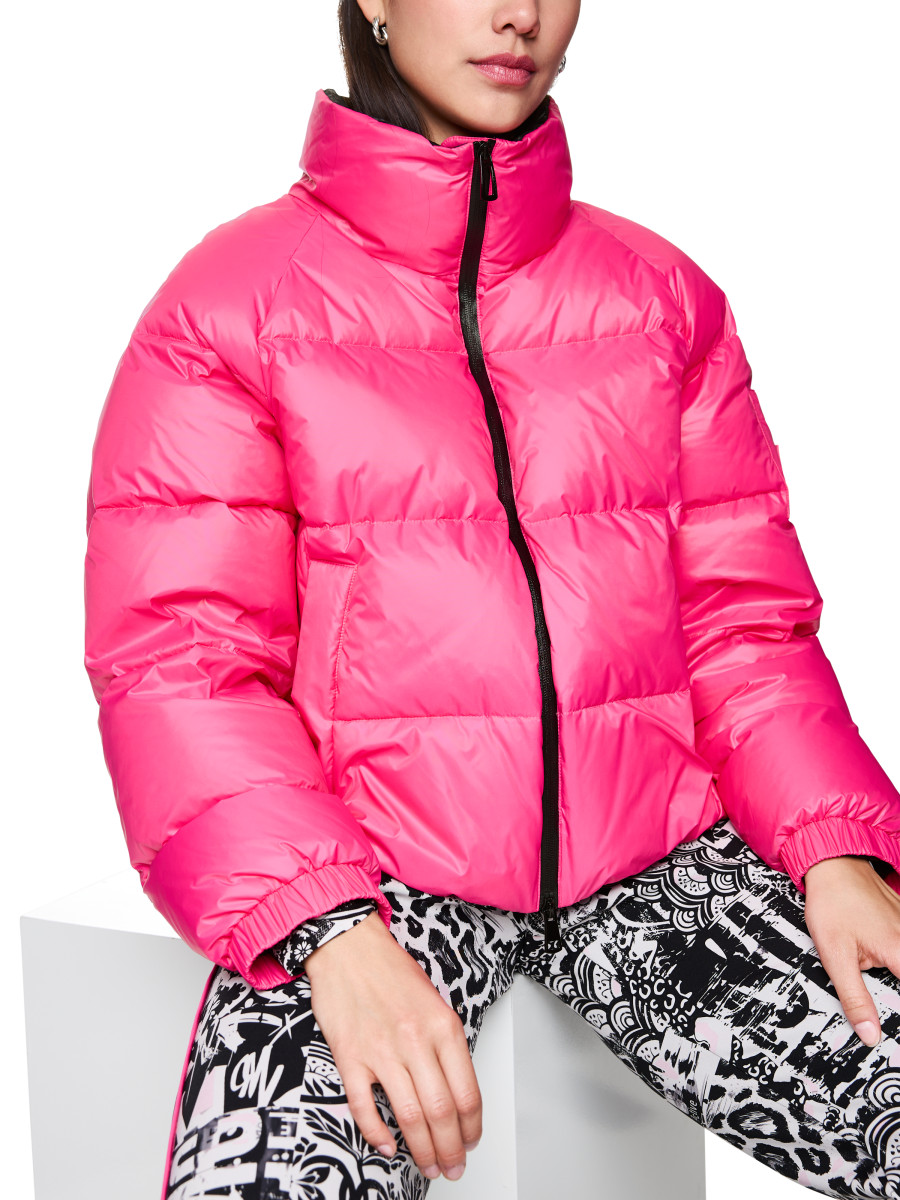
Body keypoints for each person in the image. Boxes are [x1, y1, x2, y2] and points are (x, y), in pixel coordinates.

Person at [81, 2, 900, 1197]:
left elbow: (741, 627)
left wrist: (832, 846)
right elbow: (183, 661)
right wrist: (324, 926)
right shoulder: (229, 307)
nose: (520, 13)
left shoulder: (662, 298)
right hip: (379, 879)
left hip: (656, 868)